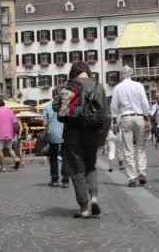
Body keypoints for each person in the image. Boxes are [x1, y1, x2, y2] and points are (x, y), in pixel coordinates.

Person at [61, 61, 110, 218]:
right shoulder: (99, 86)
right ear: (88, 72)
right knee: (90, 167)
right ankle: (94, 197)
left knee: (76, 170)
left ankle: (84, 207)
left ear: (73, 73)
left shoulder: (69, 86)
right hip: (93, 133)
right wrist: (101, 138)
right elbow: (106, 115)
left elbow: (62, 115)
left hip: (73, 134)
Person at [111, 65, 152, 187]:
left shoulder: (118, 88)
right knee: (141, 147)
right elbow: (144, 102)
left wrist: (114, 121)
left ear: (121, 74)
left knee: (128, 149)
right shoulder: (138, 86)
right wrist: (148, 118)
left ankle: (132, 177)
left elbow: (114, 106)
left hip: (126, 118)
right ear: (131, 73)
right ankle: (142, 173)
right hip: (139, 116)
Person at [43, 88, 69, 187]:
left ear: (52, 95)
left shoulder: (48, 106)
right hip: (64, 134)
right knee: (65, 157)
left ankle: (54, 180)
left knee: (53, 158)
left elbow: (44, 122)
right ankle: (65, 180)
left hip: (52, 134)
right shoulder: (66, 106)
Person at [0, 99, 20, 172]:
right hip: (10, 133)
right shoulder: (10, 111)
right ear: (4, 103)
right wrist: (16, 132)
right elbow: (15, 123)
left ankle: (2, 167)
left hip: (0, 133)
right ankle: (16, 159)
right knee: (10, 148)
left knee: (0, 149)